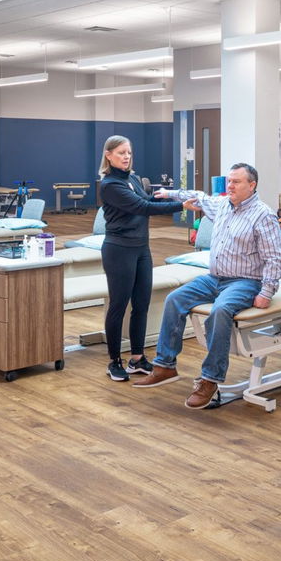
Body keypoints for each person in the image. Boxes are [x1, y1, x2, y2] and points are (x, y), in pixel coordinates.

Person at [131, 162, 281, 409]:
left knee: (220, 310)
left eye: (236, 182)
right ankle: (165, 366)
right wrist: (169, 193)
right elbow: (197, 196)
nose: (230, 186)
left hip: (245, 281)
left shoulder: (263, 215)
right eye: (229, 181)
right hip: (214, 278)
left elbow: (275, 258)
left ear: (252, 185)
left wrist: (267, 292)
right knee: (175, 299)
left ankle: (210, 379)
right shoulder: (222, 204)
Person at [96, 135, 183, 383]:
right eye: (121, 153)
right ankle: (114, 361)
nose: (126, 157)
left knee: (141, 304)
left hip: (141, 249)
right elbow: (142, 208)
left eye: (129, 152)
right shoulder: (110, 185)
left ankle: (137, 358)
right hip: (119, 250)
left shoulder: (132, 178)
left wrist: (172, 196)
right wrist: (183, 206)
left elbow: (146, 201)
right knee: (118, 305)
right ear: (109, 155)